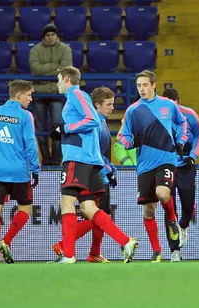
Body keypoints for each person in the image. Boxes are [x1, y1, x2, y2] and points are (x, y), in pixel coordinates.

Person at [54, 66, 137, 264]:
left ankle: (68, 254)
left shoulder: (75, 94)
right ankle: (125, 241)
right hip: (90, 161)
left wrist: (65, 128)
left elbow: (90, 120)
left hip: (78, 158)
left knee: (67, 203)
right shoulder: (79, 99)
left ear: (67, 79)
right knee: (89, 207)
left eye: (58, 80)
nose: (57, 84)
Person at [118, 70, 188, 263]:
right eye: (139, 86)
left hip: (166, 158)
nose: (142, 89)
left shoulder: (168, 105)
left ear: (154, 84)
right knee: (148, 210)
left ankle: (172, 220)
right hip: (144, 164)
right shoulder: (133, 110)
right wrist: (132, 142)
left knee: (163, 193)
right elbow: (123, 136)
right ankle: (157, 251)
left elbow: (182, 125)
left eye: (145, 85)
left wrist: (181, 141)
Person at [51, 87, 118, 263]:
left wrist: (110, 169)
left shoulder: (102, 123)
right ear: (97, 104)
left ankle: (93, 253)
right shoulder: (94, 124)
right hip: (95, 172)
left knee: (98, 214)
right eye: (109, 104)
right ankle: (66, 245)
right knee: (94, 214)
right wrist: (107, 170)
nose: (112, 108)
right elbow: (94, 152)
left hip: (100, 172)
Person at [0, 80, 40, 264]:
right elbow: (30, 144)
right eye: (29, 95)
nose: (31, 99)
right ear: (19, 95)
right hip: (18, 171)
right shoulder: (25, 116)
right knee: (25, 208)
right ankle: (5, 241)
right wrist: (36, 168)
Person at [161, 88, 199, 262]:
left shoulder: (190, 115)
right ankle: (174, 250)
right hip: (166, 164)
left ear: (178, 103)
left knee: (188, 205)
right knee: (168, 206)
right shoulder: (159, 115)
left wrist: (193, 156)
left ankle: (184, 225)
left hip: (186, 164)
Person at [29, 23, 72, 166]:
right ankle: (46, 158)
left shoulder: (65, 49)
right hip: (39, 94)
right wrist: (56, 68)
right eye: (47, 35)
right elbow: (36, 71)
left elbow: (66, 70)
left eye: (53, 34)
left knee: (57, 126)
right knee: (40, 128)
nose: (50, 37)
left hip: (56, 93)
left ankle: (56, 159)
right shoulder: (35, 50)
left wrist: (45, 70)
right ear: (44, 37)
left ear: (57, 36)